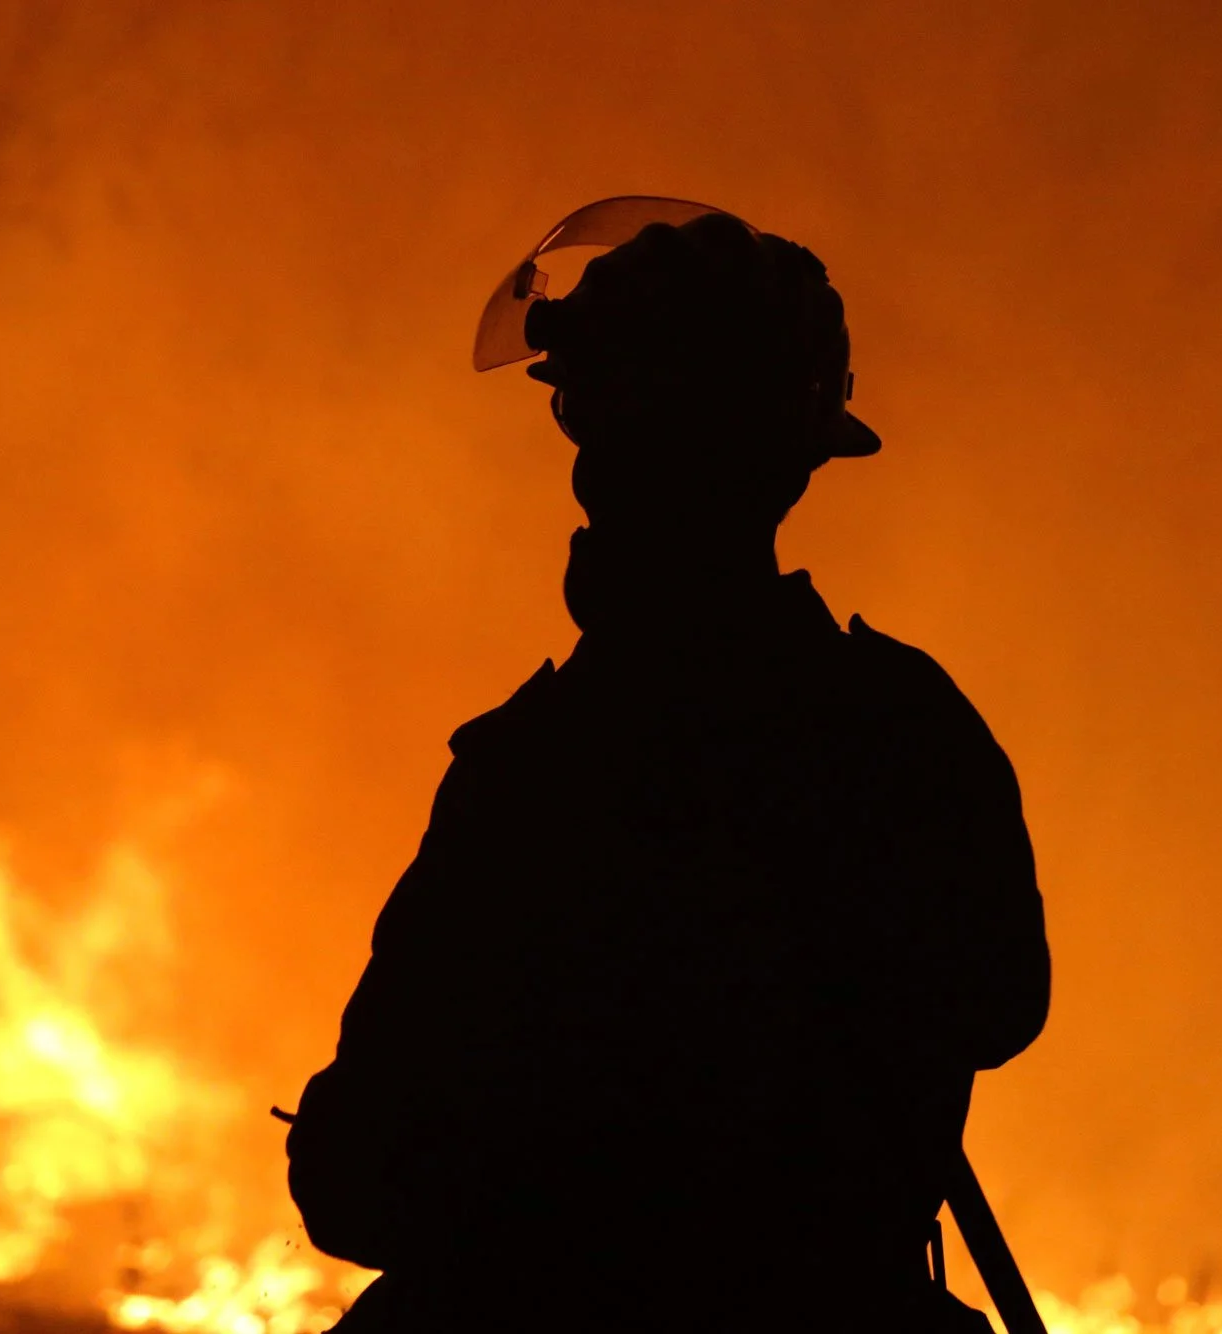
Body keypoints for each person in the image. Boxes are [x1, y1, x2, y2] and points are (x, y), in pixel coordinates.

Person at [286, 203, 1049, 1334]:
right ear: (796, 460)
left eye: (587, 419)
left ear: (602, 447)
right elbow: (997, 1009)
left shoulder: (538, 770)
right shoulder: (908, 729)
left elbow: (360, 1180)